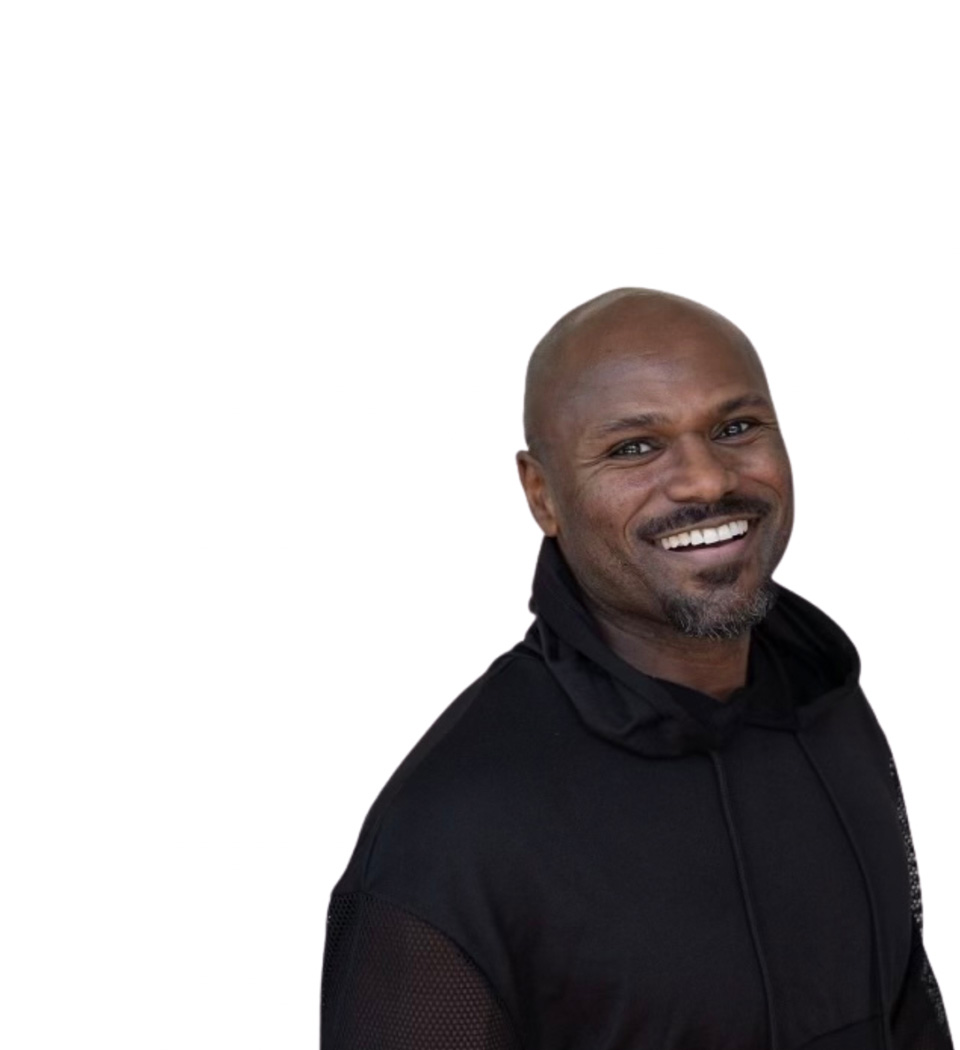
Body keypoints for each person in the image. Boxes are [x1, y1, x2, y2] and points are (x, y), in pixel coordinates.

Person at [320, 288, 952, 1050]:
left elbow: (907, 1010)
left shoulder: (829, 706)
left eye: (736, 428)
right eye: (634, 448)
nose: (706, 481)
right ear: (542, 493)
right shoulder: (452, 834)